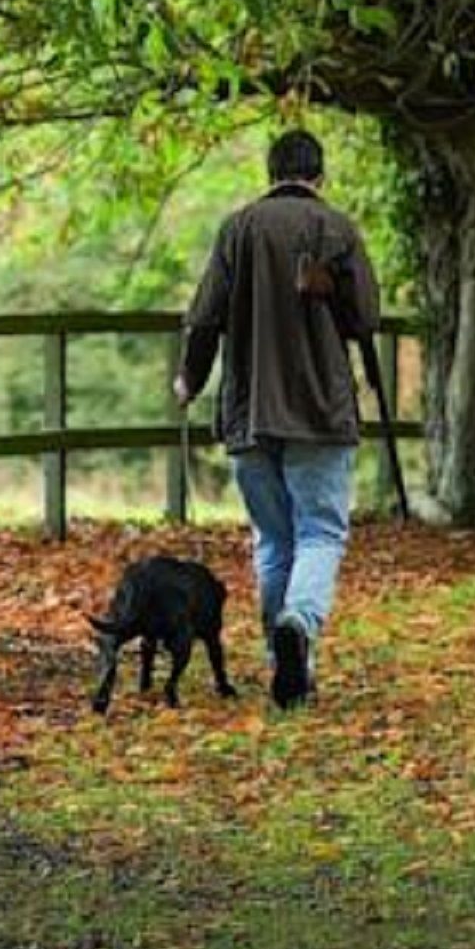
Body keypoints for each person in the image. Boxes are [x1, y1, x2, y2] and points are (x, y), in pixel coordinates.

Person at [172, 128, 381, 709]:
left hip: (250, 409)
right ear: (319, 176)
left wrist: (190, 379)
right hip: (319, 408)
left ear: (271, 173)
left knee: (273, 540)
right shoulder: (337, 228)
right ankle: (301, 624)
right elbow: (365, 317)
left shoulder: (237, 228)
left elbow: (206, 317)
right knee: (320, 531)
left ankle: (284, 663)